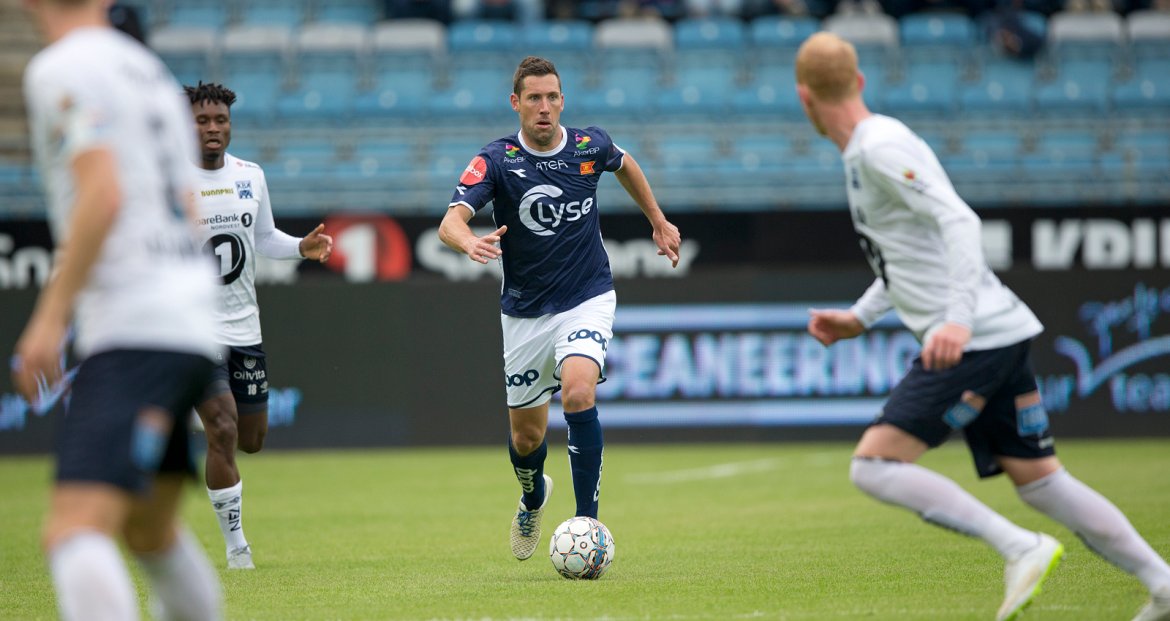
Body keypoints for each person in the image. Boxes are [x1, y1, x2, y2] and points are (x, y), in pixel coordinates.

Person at [795, 32, 1170, 621]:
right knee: (1041, 480)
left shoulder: (878, 147)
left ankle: (1020, 547)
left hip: (977, 337)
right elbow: (907, 254)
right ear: (860, 81)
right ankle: (1164, 585)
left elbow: (961, 223)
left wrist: (957, 321)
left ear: (803, 98)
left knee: (873, 466)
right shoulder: (866, 150)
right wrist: (860, 317)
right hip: (999, 332)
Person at [15, 0, 224, 619]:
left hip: (135, 324)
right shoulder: (149, 72)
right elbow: (188, 201)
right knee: (149, 533)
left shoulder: (61, 68)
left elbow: (102, 194)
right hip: (188, 315)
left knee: (73, 530)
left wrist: (50, 319)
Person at [438, 55, 681, 561]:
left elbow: (625, 163)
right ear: (516, 104)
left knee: (576, 391)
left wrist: (657, 220)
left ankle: (587, 523)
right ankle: (533, 497)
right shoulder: (497, 159)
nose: (544, 107)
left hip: (587, 296)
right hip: (525, 312)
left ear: (562, 100)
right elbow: (451, 220)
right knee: (526, 439)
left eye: (552, 97)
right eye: (534, 99)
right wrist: (469, 243)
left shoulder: (590, 145)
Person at [184, 81, 333, 570]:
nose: (212, 128)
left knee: (251, 439)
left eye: (219, 120)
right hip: (193, 329)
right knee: (222, 429)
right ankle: (237, 549)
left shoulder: (251, 175)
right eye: (203, 120)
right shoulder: (168, 181)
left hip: (245, 327)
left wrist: (300, 248)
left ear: (230, 125)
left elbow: (264, 236)